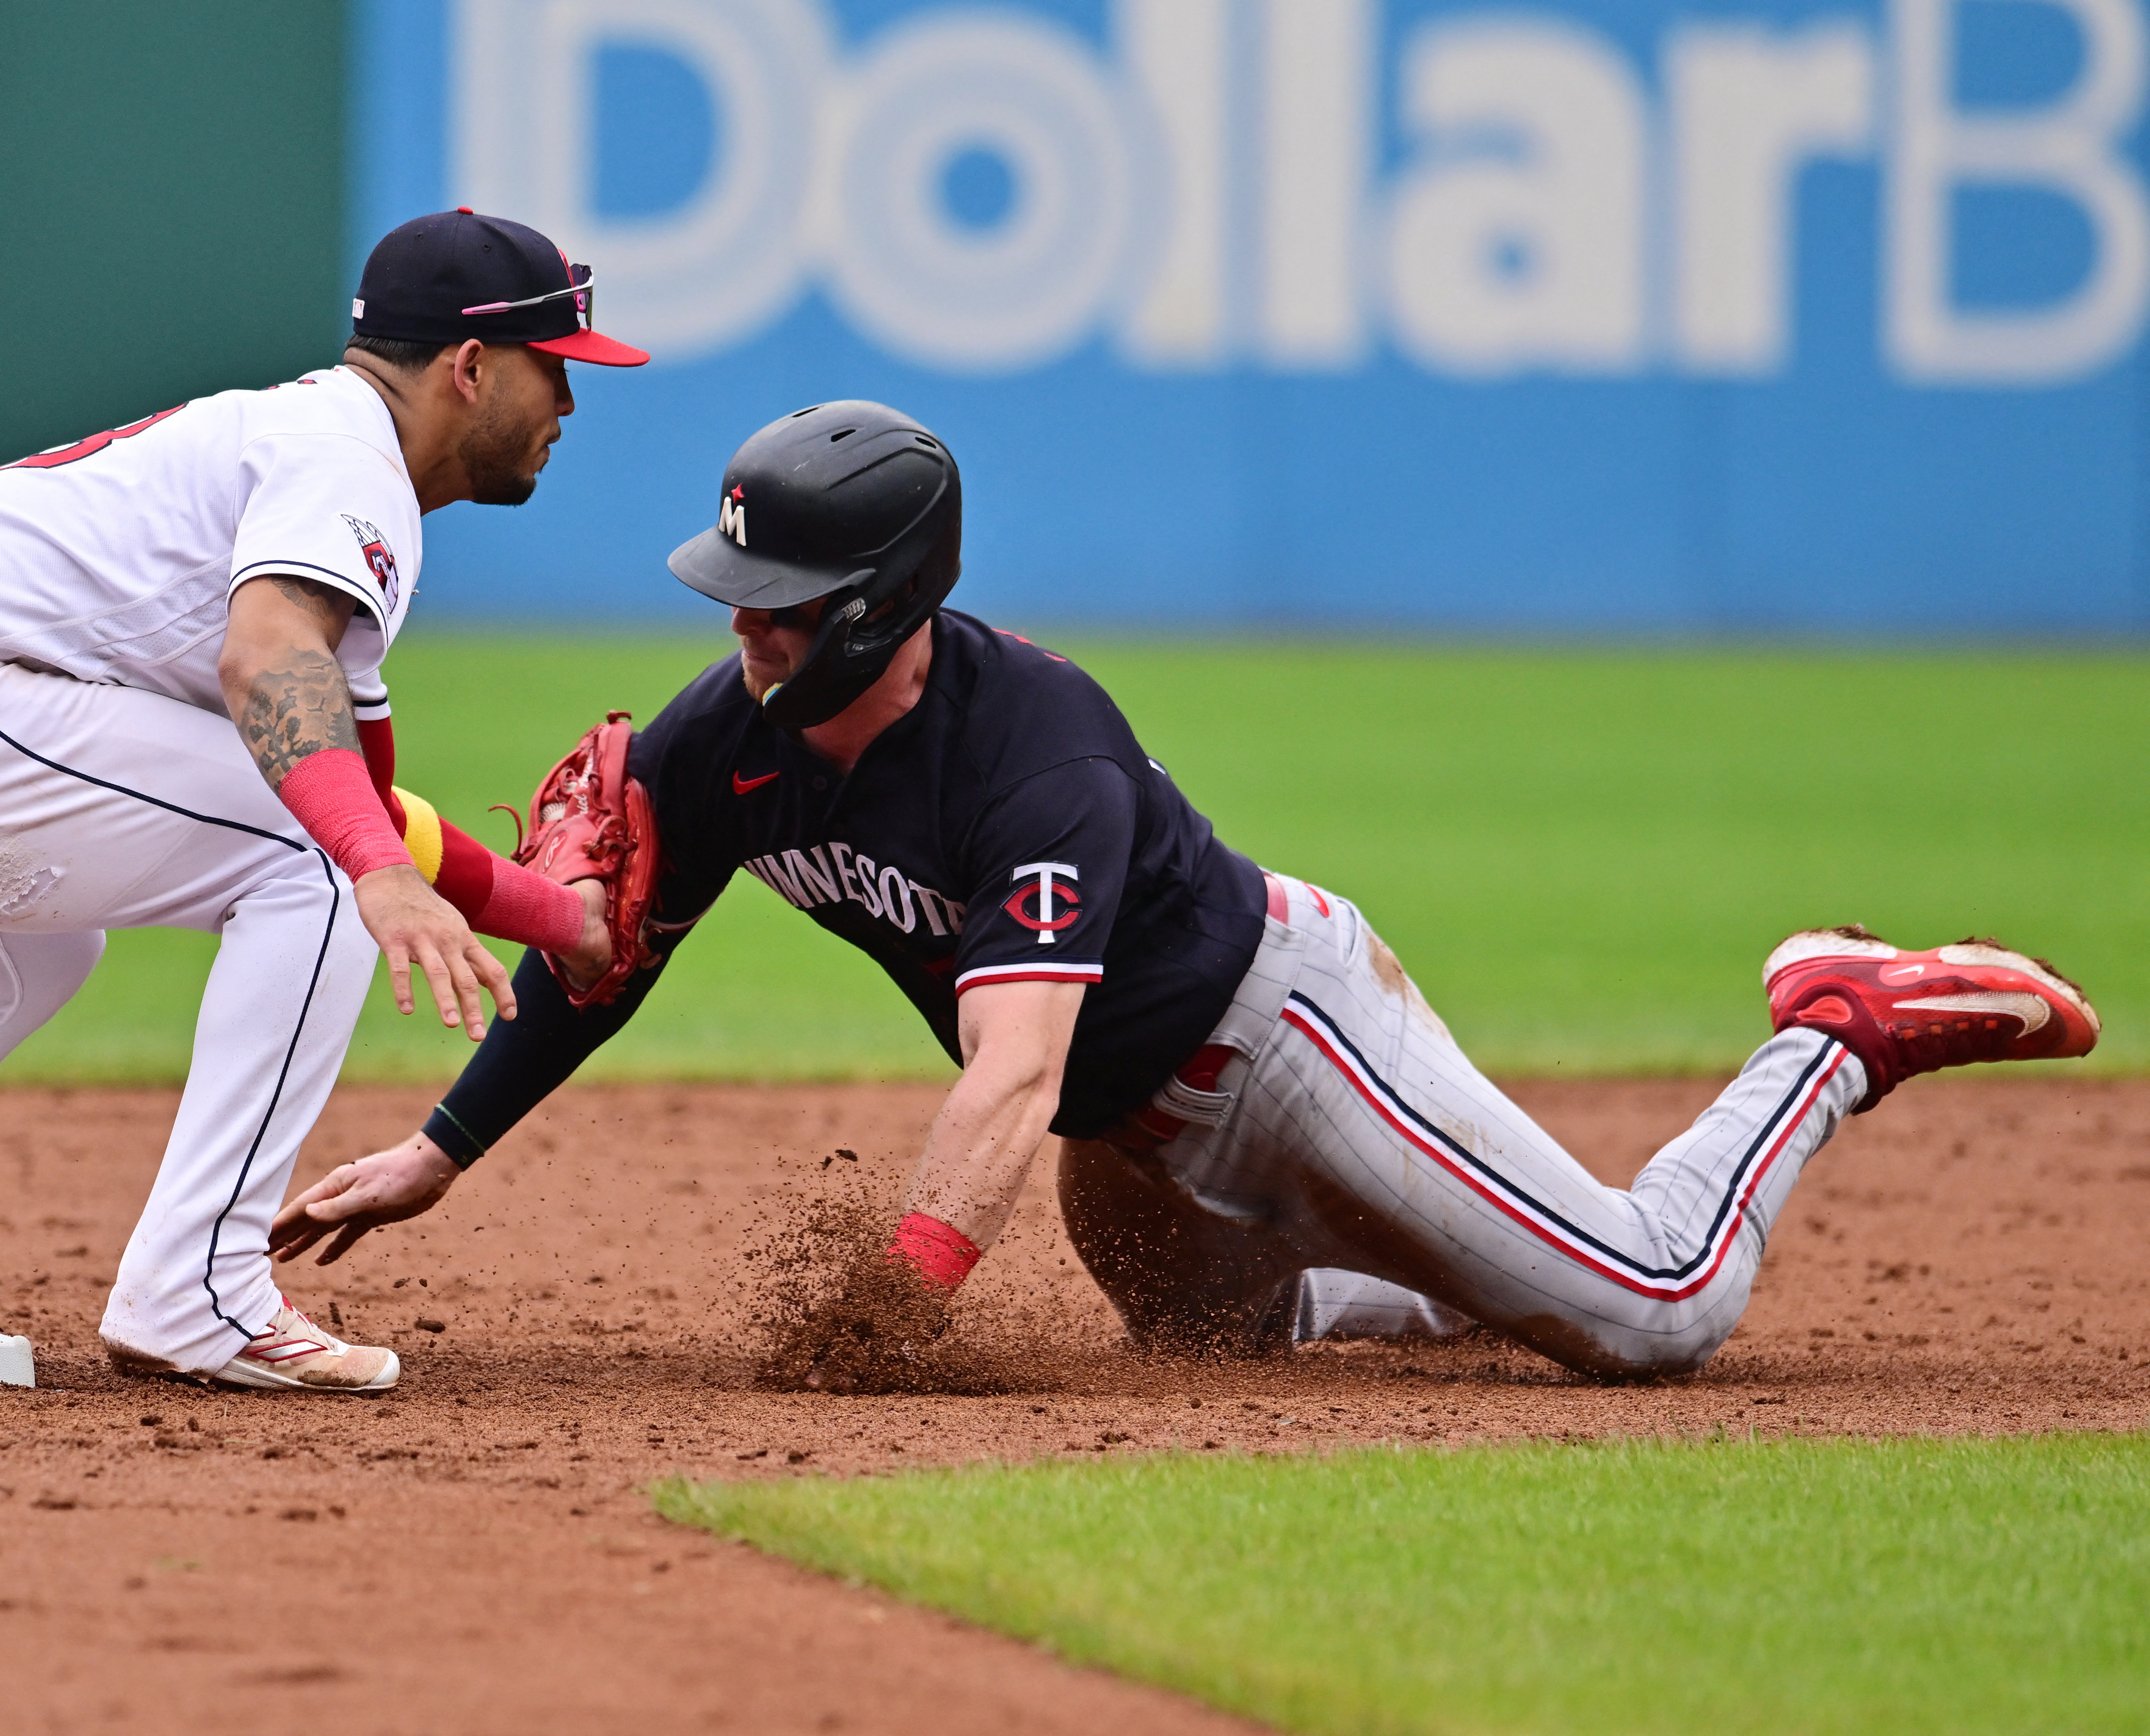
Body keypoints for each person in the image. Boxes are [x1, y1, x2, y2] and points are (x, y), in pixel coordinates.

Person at [267, 401, 2101, 1385]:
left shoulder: (1034, 748)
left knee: (1647, 1311)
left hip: (1284, 1040)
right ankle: (1477, 1262)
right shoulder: (728, 733)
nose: (735, 624)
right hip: (1126, 1141)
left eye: (774, 594)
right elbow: (611, 956)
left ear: (880, 603)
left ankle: (1833, 1028)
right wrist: (445, 1141)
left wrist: (898, 1293)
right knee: (1223, 1349)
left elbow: (1004, 1068)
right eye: (732, 587)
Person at [0, 210, 649, 1394]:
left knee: (23, 960)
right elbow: (270, 671)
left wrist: (557, 921)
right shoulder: (347, 460)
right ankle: (201, 1293)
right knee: (317, 864)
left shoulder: (311, 454)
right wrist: (371, 875)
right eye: (555, 372)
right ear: (471, 369)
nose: (569, 410)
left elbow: (355, 792)